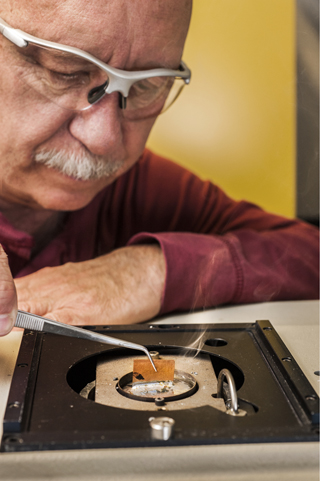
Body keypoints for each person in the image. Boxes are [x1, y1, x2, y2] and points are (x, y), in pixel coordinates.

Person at [0, 0, 318, 337]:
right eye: (65, 72)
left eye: (146, 88)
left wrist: (150, 271)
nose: (104, 140)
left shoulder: (133, 188)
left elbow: (309, 253)